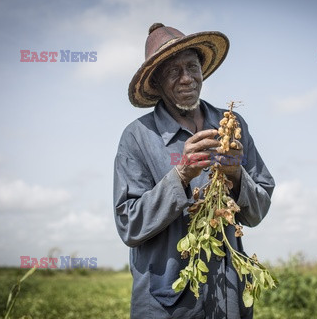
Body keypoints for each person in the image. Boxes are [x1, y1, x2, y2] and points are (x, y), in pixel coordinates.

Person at [113, 23, 275, 319]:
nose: (186, 78)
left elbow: (259, 208)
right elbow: (129, 225)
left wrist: (237, 174)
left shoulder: (231, 125)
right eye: (173, 71)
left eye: (192, 67)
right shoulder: (137, 137)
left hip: (227, 300)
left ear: (203, 70)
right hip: (167, 305)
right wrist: (181, 175)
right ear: (158, 82)